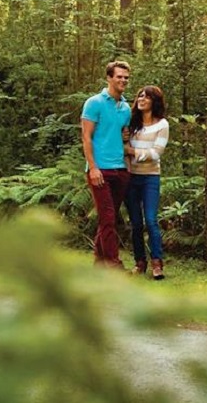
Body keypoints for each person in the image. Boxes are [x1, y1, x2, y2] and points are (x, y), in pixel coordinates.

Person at [81, 60, 132, 268]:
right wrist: (92, 167)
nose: (123, 80)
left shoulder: (126, 107)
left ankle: (100, 262)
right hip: (100, 169)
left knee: (108, 219)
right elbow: (86, 137)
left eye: (126, 77)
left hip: (120, 169)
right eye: (119, 76)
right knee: (108, 217)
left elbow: (123, 136)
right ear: (109, 78)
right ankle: (113, 264)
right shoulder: (94, 103)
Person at [124, 85, 169, 280]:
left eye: (146, 97)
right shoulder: (131, 123)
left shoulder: (162, 125)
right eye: (140, 95)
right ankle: (139, 262)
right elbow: (121, 143)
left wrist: (132, 152)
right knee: (135, 223)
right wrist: (125, 143)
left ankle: (157, 263)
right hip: (130, 177)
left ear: (154, 101)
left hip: (150, 177)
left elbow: (156, 153)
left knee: (150, 220)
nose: (141, 99)